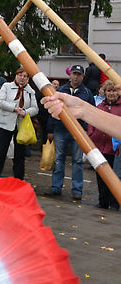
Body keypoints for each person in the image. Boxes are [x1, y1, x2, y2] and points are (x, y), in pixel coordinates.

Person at [42, 64, 94, 199]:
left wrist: (88, 131)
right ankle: (56, 187)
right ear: (70, 75)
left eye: (79, 75)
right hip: (60, 130)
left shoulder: (87, 93)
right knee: (59, 159)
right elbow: (52, 110)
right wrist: (50, 129)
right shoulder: (61, 91)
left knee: (78, 161)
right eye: (74, 74)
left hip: (79, 131)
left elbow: (92, 113)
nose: (76, 77)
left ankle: (77, 190)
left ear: (83, 76)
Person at [0, 68, 39, 180]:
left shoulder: (30, 91)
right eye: (20, 75)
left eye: (25, 76)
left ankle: (18, 180)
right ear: (16, 76)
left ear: (28, 78)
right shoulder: (7, 86)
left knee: (19, 156)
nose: (22, 78)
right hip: (5, 124)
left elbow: (35, 109)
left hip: (20, 126)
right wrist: (14, 108)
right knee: (0, 153)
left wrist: (25, 112)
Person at [86, 80, 121, 209]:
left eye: (114, 91)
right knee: (101, 176)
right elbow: (92, 122)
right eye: (108, 91)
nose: (111, 93)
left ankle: (114, 201)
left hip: (115, 149)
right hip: (100, 147)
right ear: (104, 93)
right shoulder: (100, 106)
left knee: (115, 176)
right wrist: (91, 135)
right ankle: (103, 201)